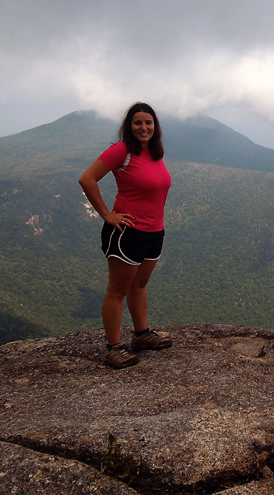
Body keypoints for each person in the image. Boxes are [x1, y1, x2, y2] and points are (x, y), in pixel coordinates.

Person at [78, 102, 173, 368]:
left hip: (154, 232)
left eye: (148, 122)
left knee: (139, 286)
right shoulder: (122, 151)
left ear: (155, 126)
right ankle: (113, 347)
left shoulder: (154, 153)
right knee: (117, 291)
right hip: (126, 232)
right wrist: (107, 214)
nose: (144, 127)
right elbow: (87, 178)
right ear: (129, 127)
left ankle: (142, 336)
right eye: (138, 123)